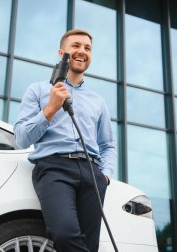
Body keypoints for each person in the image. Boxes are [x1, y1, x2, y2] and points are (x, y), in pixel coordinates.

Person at [14, 29, 116, 252]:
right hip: (54, 168)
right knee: (65, 233)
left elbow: (107, 145)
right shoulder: (39, 90)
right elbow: (21, 138)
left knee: (90, 244)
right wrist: (50, 109)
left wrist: (105, 175)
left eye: (87, 48)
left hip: (92, 172)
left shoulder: (98, 101)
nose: (82, 51)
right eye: (76, 46)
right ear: (62, 52)